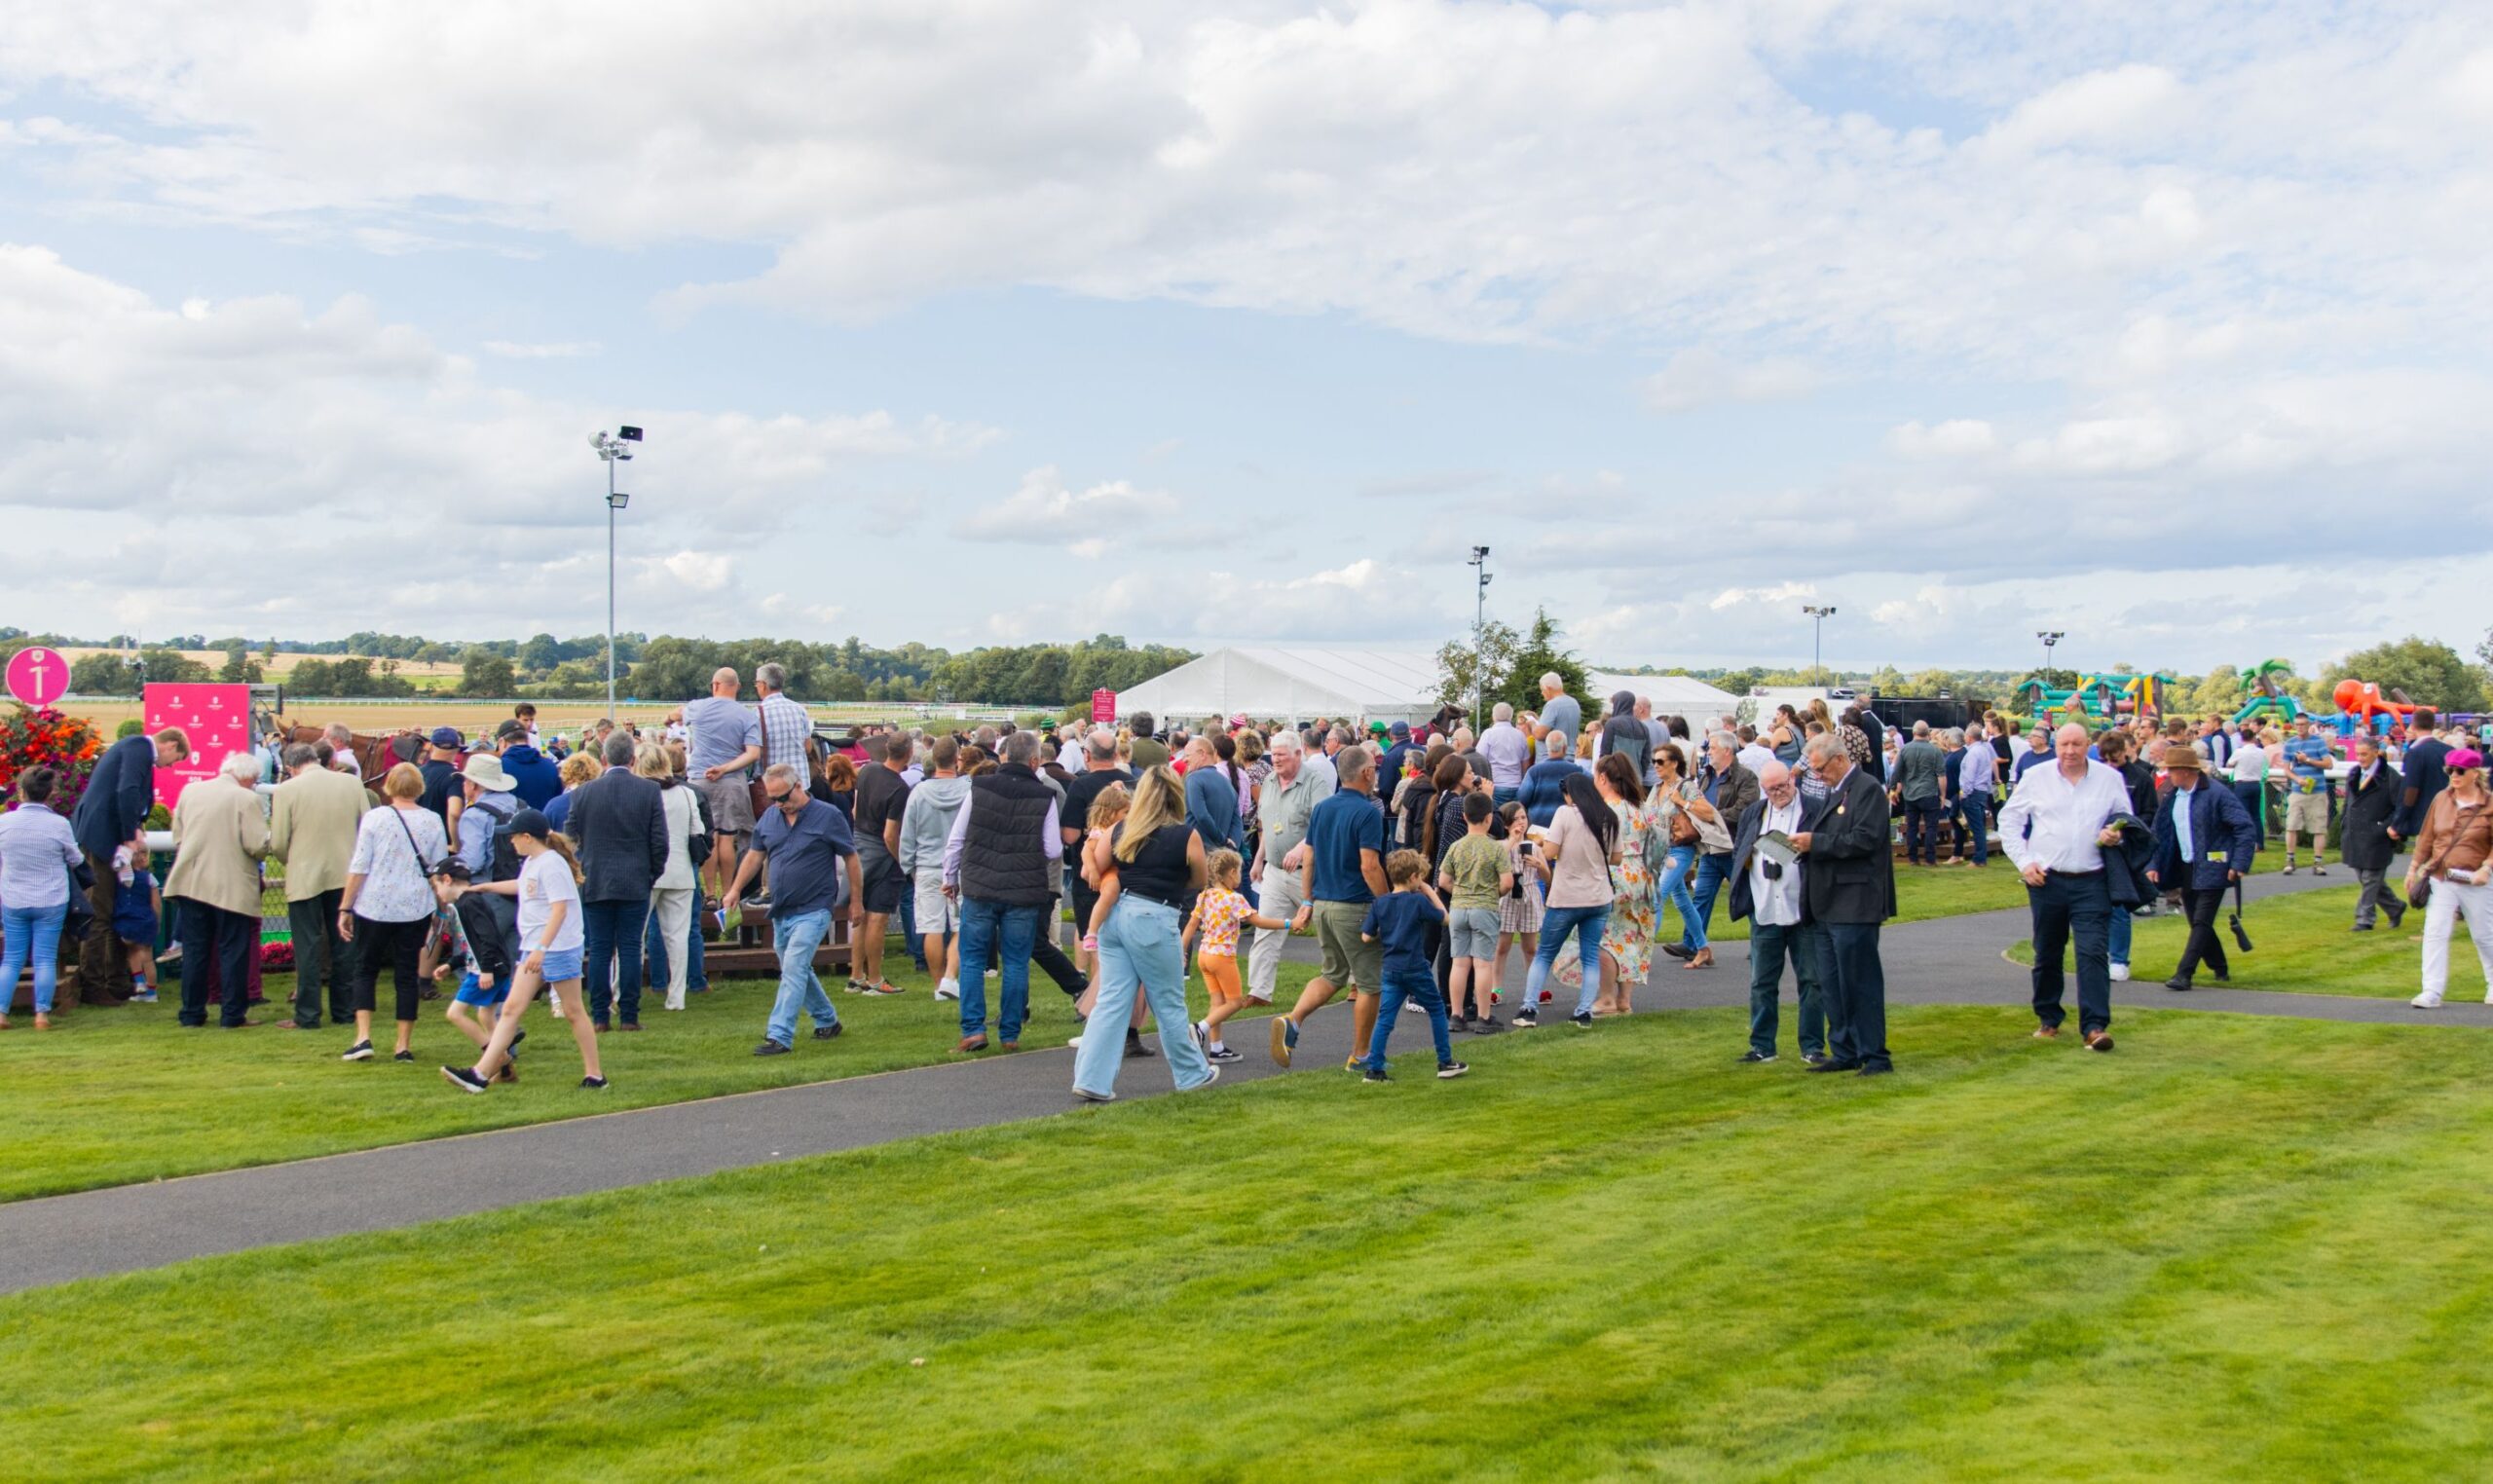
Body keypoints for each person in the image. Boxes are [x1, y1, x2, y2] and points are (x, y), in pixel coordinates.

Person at [1068, 765, 1218, 1101]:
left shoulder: (1123, 828)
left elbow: (1096, 862)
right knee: (1168, 1001)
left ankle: (1092, 1079)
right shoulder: (1185, 835)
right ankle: (1192, 1074)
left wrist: (1097, 869)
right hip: (1155, 915)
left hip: (1116, 914)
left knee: (1111, 1001)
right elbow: (1199, 879)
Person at [439, 809, 608, 1093]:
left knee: (573, 1011)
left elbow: (559, 910)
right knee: (511, 1010)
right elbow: (523, 887)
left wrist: (542, 949)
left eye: (514, 836)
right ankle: (480, 1075)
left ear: (528, 837)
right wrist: (484, 888)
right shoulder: (533, 862)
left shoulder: (551, 865)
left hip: (557, 948)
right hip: (534, 948)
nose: (511, 841)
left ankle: (595, 1075)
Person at [1998, 723, 2133, 1051]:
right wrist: (2025, 862)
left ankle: (2095, 1026)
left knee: (2092, 952)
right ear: (2055, 745)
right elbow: (2009, 821)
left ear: (2089, 745)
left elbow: (2126, 819)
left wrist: (2116, 834)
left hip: (2092, 878)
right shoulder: (2036, 777)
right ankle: (2048, 1018)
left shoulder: (2108, 778)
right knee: (2047, 951)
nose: (2070, 751)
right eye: (2064, 745)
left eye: (2076, 744)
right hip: (2047, 879)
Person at [723, 763, 864, 1054]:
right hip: (781, 909)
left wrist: (856, 901)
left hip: (814, 908)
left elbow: (851, 858)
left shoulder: (828, 815)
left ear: (798, 786)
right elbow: (755, 856)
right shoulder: (770, 818)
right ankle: (827, 1020)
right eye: (773, 799)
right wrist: (735, 889)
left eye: (783, 797)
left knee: (794, 967)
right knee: (795, 968)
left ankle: (779, 1035)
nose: (779, 804)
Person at [942, 730, 1061, 1054]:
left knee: (972, 959)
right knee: (1016, 961)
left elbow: (957, 838)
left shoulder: (979, 787)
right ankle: (1010, 1033)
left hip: (980, 884)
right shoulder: (1044, 796)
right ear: (1034, 761)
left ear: (1005, 755)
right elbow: (1053, 849)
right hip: (1023, 888)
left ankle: (973, 1030)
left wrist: (950, 877)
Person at [1269, 745, 1389, 1067]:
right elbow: (1369, 866)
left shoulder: (1323, 808)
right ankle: (1360, 1054)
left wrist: (1308, 900)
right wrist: (1388, 903)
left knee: (1332, 974)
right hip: (1356, 906)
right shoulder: (1368, 812)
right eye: (1374, 768)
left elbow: (1309, 858)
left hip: (1323, 903)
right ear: (1366, 773)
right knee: (1370, 984)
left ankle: (1293, 1020)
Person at [1793, 732, 1896, 1074]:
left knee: (1859, 982)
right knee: (1832, 984)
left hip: (1855, 902)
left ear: (1839, 759)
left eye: (1820, 768)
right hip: (1826, 902)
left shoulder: (1867, 789)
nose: (1817, 775)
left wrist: (1816, 843)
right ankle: (1844, 1050)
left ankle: (1874, 1054)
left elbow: (1866, 839)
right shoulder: (1835, 790)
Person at [65, 726, 191, 1008]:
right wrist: (129, 835)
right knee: (99, 912)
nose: (170, 766)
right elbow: (127, 790)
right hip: (102, 838)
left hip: (102, 836)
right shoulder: (139, 748)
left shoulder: (134, 749)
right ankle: (94, 985)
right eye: (175, 759)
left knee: (111, 910)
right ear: (170, 745)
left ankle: (116, 982)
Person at [337, 761, 449, 1060]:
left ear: (389, 787)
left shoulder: (376, 818)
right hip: (415, 904)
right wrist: (440, 904)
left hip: (376, 903)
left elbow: (360, 865)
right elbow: (439, 866)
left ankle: (363, 1036)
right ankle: (403, 1044)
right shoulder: (432, 820)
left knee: (365, 968)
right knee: (406, 973)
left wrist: (346, 906)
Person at [160, 751, 274, 1032]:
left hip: (192, 883)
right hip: (231, 885)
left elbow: (178, 836)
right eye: (254, 781)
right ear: (247, 777)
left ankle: (191, 1013)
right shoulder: (246, 799)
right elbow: (256, 845)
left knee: (195, 950)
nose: (254, 785)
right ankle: (232, 1015)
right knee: (233, 950)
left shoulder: (191, 791)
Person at [565, 733, 668, 1032]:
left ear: (604, 759)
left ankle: (600, 1016)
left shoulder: (583, 793)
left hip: (597, 879)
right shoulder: (648, 791)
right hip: (635, 880)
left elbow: (569, 838)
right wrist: (650, 874)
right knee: (630, 948)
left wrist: (582, 869)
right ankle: (629, 1016)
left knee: (600, 949)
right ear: (633, 760)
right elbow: (660, 842)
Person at [1729, 760, 1829, 1064]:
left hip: (1803, 909)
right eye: (1771, 789)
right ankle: (1762, 1046)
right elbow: (1740, 851)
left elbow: (1828, 850)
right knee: (1761, 981)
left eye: (1782, 786)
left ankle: (1812, 1046)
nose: (1778, 792)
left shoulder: (1815, 808)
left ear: (1792, 780)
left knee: (1811, 980)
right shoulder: (1754, 813)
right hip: (1765, 907)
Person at [268, 740, 367, 1031]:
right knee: (345, 944)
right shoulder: (351, 784)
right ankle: (344, 1010)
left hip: (304, 876)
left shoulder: (286, 790)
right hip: (346, 875)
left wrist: (292, 860)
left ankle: (308, 1014)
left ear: (290, 767)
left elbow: (278, 842)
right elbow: (366, 828)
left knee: (308, 947)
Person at [2145, 745, 2258, 992]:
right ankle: (2220, 967)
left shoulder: (2217, 793)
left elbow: (2244, 827)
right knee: (2197, 921)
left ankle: (2183, 974)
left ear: (2185, 771)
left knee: (2201, 921)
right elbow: (2158, 832)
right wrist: (2153, 864)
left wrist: (2239, 863)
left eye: (2171, 770)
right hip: (2186, 866)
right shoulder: (2172, 796)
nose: (2168, 775)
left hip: (2215, 866)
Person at [1514, 771, 1619, 1030]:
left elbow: (1551, 852)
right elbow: (1616, 857)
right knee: (1590, 956)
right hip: (1599, 896)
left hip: (1567, 897)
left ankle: (1529, 1009)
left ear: (1570, 794)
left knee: (1545, 953)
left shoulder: (1565, 813)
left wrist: (1540, 843)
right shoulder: (1609, 816)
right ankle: (1584, 1012)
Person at [1355, 849, 1465, 1082]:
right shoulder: (1417, 901)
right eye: (1420, 878)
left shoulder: (1380, 903)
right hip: (1415, 967)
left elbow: (1366, 936)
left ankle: (1375, 1069)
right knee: (1436, 1009)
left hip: (1390, 968)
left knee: (1385, 1018)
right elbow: (1445, 918)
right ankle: (1445, 1061)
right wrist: (1429, 891)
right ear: (1414, 877)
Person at [2404, 747, 2493, 1010]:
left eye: (2460, 771)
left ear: (2475, 773)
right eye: (2450, 770)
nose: (2454, 775)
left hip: (2476, 878)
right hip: (2441, 877)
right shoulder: (2441, 799)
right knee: (2435, 932)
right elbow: (2427, 836)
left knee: (2484, 935)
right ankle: (2431, 990)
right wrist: (2414, 867)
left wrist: (2486, 868)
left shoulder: (2489, 804)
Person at [0, 766, 84, 1031]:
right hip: (51, 898)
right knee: (45, 958)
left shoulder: (4, 822)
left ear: (21, 792)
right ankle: (41, 1015)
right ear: (50, 794)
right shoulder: (59, 824)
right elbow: (76, 859)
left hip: (14, 898)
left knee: (12, 958)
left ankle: (1, 1013)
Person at [1187, 848, 1285, 1062]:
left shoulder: (1205, 896)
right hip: (1222, 957)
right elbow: (1258, 921)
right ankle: (1200, 1028)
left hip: (1204, 955)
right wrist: (1288, 923)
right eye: (1240, 871)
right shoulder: (1234, 899)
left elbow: (1192, 923)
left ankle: (1217, 1048)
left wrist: (1181, 950)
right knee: (1235, 1002)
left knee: (1218, 1001)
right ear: (1232, 872)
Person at [632, 743, 703, 1012]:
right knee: (677, 937)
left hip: (646, 871)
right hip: (679, 870)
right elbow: (697, 830)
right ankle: (676, 998)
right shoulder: (686, 793)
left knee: (633, 936)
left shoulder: (638, 793)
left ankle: (622, 991)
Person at [899, 736, 972, 1000]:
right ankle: (949, 977)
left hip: (927, 866)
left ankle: (939, 983)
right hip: (961, 866)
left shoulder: (918, 793)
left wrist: (909, 866)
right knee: (961, 926)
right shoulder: (969, 790)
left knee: (932, 927)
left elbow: (907, 834)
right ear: (956, 759)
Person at [685, 667, 764, 907]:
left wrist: (671, 718)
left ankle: (710, 894)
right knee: (727, 838)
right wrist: (725, 768)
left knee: (709, 836)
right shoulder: (747, 715)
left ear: (715, 685)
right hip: (731, 781)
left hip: (700, 778)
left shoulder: (698, 707)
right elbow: (753, 753)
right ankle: (729, 892)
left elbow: (676, 714)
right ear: (737, 687)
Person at [1436, 790, 1513, 1033]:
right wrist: (1494, 893)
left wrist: (1460, 892)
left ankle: (1456, 1014)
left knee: (1459, 963)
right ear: (1489, 818)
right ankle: (1483, 1016)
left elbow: (1443, 880)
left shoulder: (1456, 847)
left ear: (1465, 817)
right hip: (1484, 908)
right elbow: (1507, 882)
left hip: (1459, 908)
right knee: (1482, 965)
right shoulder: (1495, 848)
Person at [432, 863, 517, 1081]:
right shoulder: (468, 903)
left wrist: (487, 970)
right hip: (494, 966)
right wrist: (452, 964)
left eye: (437, 886)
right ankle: (505, 1071)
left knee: (455, 1013)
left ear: (447, 880)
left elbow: (488, 937)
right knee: (486, 1015)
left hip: (486, 970)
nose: (437, 893)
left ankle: (497, 1058)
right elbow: (473, 944)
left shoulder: (468, 904)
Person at [848, 732, 912, 996]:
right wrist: (902, 861)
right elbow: (890, 834)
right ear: (909, 754)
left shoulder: (868, 771)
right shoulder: (899, 788)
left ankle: (856, 976)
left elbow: (854, 811)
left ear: (887, 748)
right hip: (883, 854)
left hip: (859, 847)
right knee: (877, 917)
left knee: (861, 916)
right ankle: (875, 979)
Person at [1684, 731, 1757, 959]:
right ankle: (1692, 944)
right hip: (1710, 846)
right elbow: (1698, 803)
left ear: (1727, 750)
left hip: (1734, 847)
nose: (1708, 751)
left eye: (1713, 747)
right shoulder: (1707, 775)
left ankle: (1762, 942)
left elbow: (1744, 810)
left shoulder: (1746, 777)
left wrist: (1711, 817)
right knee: (1702, 897)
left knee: (1747, 897)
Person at [2342, 732, 2406, 932]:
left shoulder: (2391, 777)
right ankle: (2395, 907)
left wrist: (2386, 827)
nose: (2360, 758)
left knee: (2371, 879)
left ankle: (2364, 919)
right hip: (2355, 834)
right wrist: (2344, 823)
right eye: (2358, 754)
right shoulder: (2354, 773)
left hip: (2377, 836)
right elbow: (2348, 803)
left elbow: (2400, 808)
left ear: (2376, 753)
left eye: (2364, 754)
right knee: (2368, 879)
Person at [2281, 716, 2334, 875]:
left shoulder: (2318, 742)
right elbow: (2286, 769)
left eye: (2303, 724)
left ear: (2309, 725)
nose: (2300, 727)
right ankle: (2290, 860)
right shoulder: (2290, 744)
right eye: (2297, 725)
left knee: (2319, 828)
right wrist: (2297, 779)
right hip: (2297, 791)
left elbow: (2328, 764)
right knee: (2291, 826)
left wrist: (2308, 760)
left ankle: (2318, 862)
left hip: (2317, 792)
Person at [2392, 708, 2452, 849]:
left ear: (2413, 726)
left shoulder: (2415, 753)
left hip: (2424, 818)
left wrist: (2398, 821)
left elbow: (2410, 790)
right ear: (2433, 725)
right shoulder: (2449, 750)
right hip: (2448, 814)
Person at [1889, 721, 1947, 867]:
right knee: (1931, 827)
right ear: (1927, 733)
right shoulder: (1935, 751)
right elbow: (1941, 776)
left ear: (1913, 732)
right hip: (1929, 793)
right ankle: (1930, 858)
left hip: (1910, 795)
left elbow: (1896, 772)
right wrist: (1942, 795)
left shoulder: (1904, 749)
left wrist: (1893, 790)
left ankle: (1913, 858)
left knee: (1912, 827)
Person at [1181, 735, 1245, 859]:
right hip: (1221, 857)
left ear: (1202, 754)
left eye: (1187, 755)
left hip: (1199, 854)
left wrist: (1223, 840)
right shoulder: (1227, 782)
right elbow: (1237, 820)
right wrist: (1231, 846)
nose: (1184, 760)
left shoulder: (1193, 779)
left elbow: (1201, 815)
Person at [1953, 723, 1996, 867]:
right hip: (1982, 791)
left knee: (1976, 827)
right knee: (1979, 826)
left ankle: (1979, 859)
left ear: (1970, 737)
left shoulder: (1973, 753)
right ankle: (1980, 857)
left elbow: (1969, 775)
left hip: (1972, 792)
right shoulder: (1984, 750)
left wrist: (1964, 793)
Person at [494, 720, 562, 810]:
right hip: (544, 818)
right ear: (528, 740)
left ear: (502, 742)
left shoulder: (498, 768)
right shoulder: (550, 766)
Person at [1479, 701, 1530, 807]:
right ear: (1511, 716)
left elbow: (1481, 759)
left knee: (1497, 815)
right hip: (1517, 785)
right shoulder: (1520, 735)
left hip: (1495, 784)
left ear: (1493, 716)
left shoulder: (1488, 734)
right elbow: (1525, 764)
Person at [2226, 727, 2271, 844]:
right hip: (2256, 784)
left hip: (2242, 784)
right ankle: (2259, 842)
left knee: (2243, 814)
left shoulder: (2239, 752)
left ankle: (2245, 840)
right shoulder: (2261, 752)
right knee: (2256, 815)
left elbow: (2229, 764)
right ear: (2253, 738)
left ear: (2242, 739)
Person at [418, 726, 465, 826]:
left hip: (415, 832)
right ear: (457, 750)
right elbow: (455, 813)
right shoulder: (455, 777)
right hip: (441, 833)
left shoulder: (416, 773)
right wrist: (454, 836)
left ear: (431, 747)